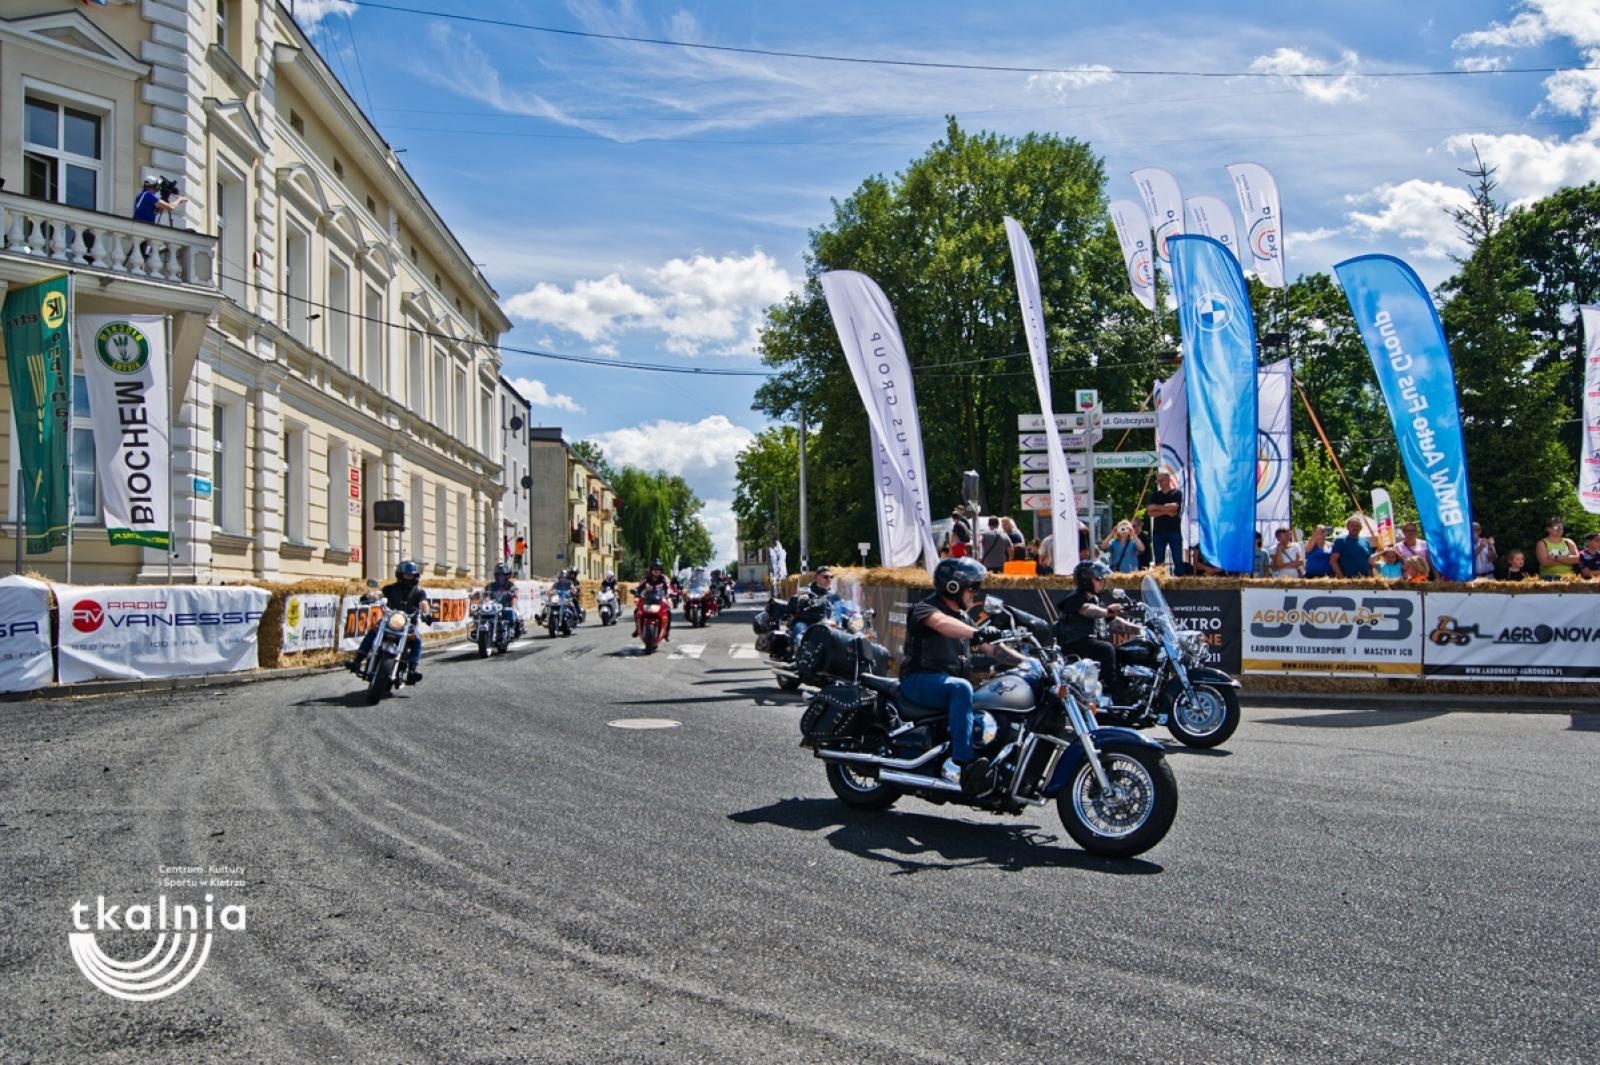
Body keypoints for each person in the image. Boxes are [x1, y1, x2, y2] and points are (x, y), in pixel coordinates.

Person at [899, 557, 1015, 788]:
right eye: (972, 587)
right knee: (961, 688)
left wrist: (1030, 660)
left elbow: (992, 650)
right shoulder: (926, 608)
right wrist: (977, 633)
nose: (975, 593)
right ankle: (965, 763)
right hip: (919, 680)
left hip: (943, 684)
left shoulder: (962, 617)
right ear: (953, 587)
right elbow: (941, 624)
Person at [1054, 561, 1138, 704]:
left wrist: (1139, 630)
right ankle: (1117, 693)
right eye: (1098, 578)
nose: (1102, 581)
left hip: (1087, 642)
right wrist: (1106, 612)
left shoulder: (1095, 598)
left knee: (1123, 651)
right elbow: (1087, 609)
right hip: (1075, 644)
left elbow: (1113, 621)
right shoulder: (1077, 597)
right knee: (1106, 649)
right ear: (1086, 580)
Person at [351, 560, 431, 683]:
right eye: (406, 575)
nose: (409, 578)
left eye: (411, 575)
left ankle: (412, 670)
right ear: (400, 574)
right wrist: (371, 596)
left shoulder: (419, 592)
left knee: (417, 640)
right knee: (373, 631)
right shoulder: (391, 588)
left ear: (416, 576)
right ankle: (357, 660)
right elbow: (380, 593)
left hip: (408, 624)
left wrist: (426, 613)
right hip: (390, 620)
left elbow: (424, 603)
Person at [1145, 469, 1184, 571]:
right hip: (1158, 532)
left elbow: (1175, 507)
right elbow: (1149, 511)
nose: (1160, 483)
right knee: (1159, 561)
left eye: (1161, 480)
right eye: (1158, 481)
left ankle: (1179, 580)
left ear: (1168, 480)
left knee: (1177, 559)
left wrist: (1156, 507)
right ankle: (1160, 582)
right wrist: (1166, 511)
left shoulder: (1177, 493)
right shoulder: (1155, 495)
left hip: (1174, 531)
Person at [633, 559, 673, 639]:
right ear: (651, 569)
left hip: (661, 599)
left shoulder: (664, 579)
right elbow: (639, 588)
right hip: (646, 599)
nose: (656, 571)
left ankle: (667, 632)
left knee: (668, 612)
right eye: (654, 569)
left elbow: (668, 588)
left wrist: (668, 597)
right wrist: (637, 596)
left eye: (658, 569)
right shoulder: (645, 578)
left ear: (661, 570)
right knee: (636, 611)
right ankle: (638, 629)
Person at [483, 562, 524, 638]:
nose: (501, 577)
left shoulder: (510, 585)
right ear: (496, 576)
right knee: (480, 614)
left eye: (503, 575)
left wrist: (513, 603)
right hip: (494, 609)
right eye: (499, 575)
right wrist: (486, 599)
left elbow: (515, 594)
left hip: (506, 607)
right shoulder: (491, 586)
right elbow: (486, 595)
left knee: (514, 614)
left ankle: (513, 629)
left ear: (507, 576)